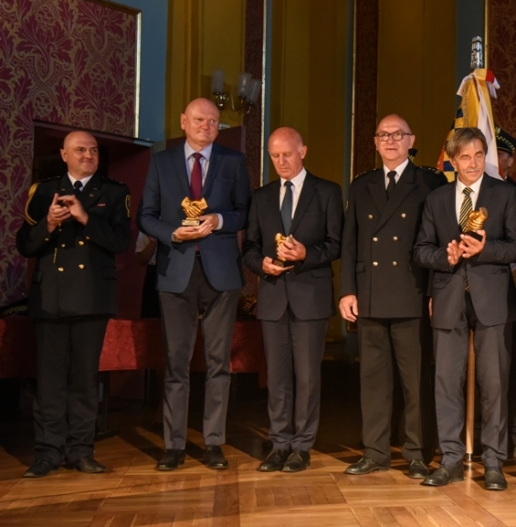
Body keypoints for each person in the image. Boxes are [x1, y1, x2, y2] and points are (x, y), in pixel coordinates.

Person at [138, 98, 251, 471]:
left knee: (219, 362)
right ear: (184, 121)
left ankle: (214, 442)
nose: (206, 126)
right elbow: (146, 216)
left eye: (214, 121)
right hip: (176, 271)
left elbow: (244, 212)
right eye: (200, 119)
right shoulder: (161, 162)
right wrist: (173, 233)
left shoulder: (234, 161)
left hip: (221, 273)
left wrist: (219, 220)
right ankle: (174, 444)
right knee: (176, 362)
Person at [16, 130, 131, 477]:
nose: (88, 155)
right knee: (49, 380)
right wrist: (49, 223)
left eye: (93, 150)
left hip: (91, 296)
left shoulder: (114, 192)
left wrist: (85, 218)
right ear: (64, 155)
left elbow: (121, 242)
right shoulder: (43, 191)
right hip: (51, 297)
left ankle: (81, 450)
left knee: (84, 379)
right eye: (80, 150)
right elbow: (26, 244)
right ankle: (47, 452)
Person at [339, 114, 447, 478]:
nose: (390, 140)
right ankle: (375, 451)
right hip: (370, 293)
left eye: (398, 134)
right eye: (383, 134)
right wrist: (347, 290)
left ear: (411, 140)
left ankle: (417, 452)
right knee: (374, 380)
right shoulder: (362, 185)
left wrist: (433, 293)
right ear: (374, 141)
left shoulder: (430, 183)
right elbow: (350, 243)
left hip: (411, 293)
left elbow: (435, 243)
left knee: (415, 380)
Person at [413, 127, 516, 491]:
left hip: (493, 301)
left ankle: (493, 462)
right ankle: (451, 460)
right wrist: (444, 257)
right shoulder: (437, 199)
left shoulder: (505, 194)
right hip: (448, 298)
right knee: (446, 382)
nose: (473, 163)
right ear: (452, 161)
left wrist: (485, 249)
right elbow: (421, 250)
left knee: (494, 383)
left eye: (478, 155)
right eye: (465, 157)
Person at [243, 127, 343, 473]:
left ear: (303, 151)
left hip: (310, 297)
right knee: (277, 377)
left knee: (308, 377)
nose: (281, 161)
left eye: (287, 154)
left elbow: (336, 244)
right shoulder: (261, 197)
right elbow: (249, 247)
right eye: (274, 156)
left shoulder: (327, 192)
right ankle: (279, 443)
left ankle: (302, 446)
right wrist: (262, 264)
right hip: (273, 296)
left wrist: (306, 254)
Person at [496, 127, 516, 457]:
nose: (493, 161)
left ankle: (509, 438)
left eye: (500, 154)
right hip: (468, 290)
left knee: (511, 364)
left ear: (510, 160)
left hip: (511, 289)